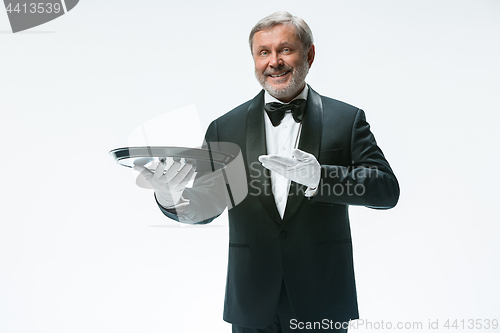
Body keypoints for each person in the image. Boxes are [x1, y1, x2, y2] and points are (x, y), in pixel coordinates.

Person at [135, 11, 399, 333]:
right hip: (251, 302)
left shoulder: (346, 119)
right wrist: (170, 195)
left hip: (323, 299)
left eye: (285, 50)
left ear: (309, 54)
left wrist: (321, 178)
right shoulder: (224, 128)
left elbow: (386, 190)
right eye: (264, 53)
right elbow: (207, 204)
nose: (274, 61)